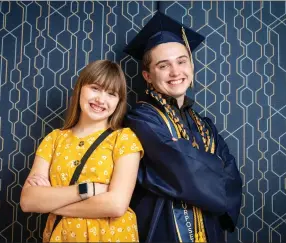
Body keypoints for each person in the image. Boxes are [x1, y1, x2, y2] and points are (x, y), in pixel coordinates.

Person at [123, 12, 242, 243]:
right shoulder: (141, 118)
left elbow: (233, 176)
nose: (176, 72)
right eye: (163, 65)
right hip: (162, 226)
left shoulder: (204, 124)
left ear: (191, 64)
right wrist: (212, 163)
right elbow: (182, 170)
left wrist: (193, 158)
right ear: (147, 75)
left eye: (181, 61)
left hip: (209, 229)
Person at [20, 60, 143, 242]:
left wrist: (50, 204)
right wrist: (88, 189)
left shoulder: (124, 138)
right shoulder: (54, 139)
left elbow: (116, 205)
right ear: (80, 88)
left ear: (118, 102)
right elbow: (28, 201)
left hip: (112, 236)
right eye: (95, 88)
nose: (101, 99)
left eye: (111, 94)